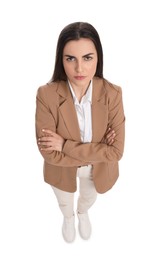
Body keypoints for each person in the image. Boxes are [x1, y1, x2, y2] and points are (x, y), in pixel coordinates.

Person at [35, 21, 125, 243]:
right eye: (70, 59)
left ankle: (82, 213)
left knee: (87, 198)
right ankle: (68, 217)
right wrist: (99, 148)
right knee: (65, 202)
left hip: (97, 170)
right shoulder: (46, 94)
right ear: (61, 59)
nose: (79, 69)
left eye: (87, 57)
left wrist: (64, 145)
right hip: (61, 170)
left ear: (98, 58)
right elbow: (49, 153)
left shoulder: (112, 94)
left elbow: (116, 152)